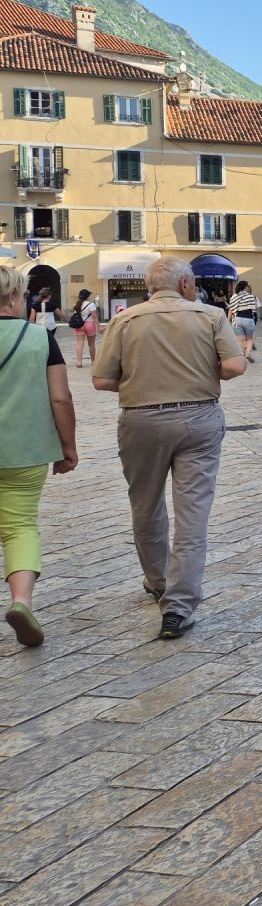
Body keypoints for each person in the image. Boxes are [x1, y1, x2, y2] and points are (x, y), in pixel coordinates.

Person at [91, 257, 246, 640]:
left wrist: (140, 378)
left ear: (150, 286)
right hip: (198, 419)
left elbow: (101, 380)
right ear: (186, 285)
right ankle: (178, 607)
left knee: (145, 506)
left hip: (141, 420)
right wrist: (205, 370)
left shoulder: (126, 320)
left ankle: (158, 582)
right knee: (193, 514)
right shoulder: (210, 316)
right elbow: (235, 366)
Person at [0, 265, 78, 647]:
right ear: (15, 297)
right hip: (25, 452)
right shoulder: (39, 337)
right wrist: (68, 448)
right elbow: (60, 397)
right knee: (20, 527)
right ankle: (21, 602)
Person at [227, 280, 260, 362]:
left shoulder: (234, 296)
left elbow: (231, 309)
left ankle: (241, 357)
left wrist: (228, 320)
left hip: (237, 320)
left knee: (240, 340)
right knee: (249, 339)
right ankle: (248, 354)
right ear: (245, 287)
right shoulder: (250, 296)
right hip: (248, 319)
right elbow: (255, 308)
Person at [71, 289, 100, 368]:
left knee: (79, 344)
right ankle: (93, 362)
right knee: (91, 344)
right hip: (90, 324)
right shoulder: (91, 305)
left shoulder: (76, 304)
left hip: (79, 325)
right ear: (88, 296)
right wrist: (99, 327)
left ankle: (79, 362)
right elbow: (95, 317)